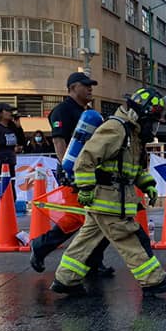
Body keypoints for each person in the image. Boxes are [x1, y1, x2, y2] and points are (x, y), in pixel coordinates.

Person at [51, 87, 166, 296]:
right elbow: (85, 160)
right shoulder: (116, 129)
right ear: (141, 113)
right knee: (130, 239)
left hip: (113, 199)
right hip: (108, 200)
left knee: (86, 241)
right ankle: (153, 280)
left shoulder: (133, 134)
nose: (156, 125)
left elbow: (131, 169)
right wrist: (85, 188)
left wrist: (147, 184)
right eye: (154, 119)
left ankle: (65, 279)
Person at [29, 72, 113, 279]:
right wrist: (69, 170)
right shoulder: (62, 111)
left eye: (91, 85)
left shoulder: (87, 112)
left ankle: (94, 262)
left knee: (99, 217)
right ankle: (41, 246)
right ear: (73, 87)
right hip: (73, 172)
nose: (90, 89)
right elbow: (59, 142)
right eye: (86, 85)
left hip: (90, 170)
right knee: (78, 217)